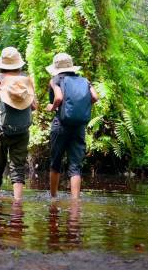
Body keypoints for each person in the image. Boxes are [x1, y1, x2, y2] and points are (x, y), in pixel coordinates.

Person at [0, 47, 38, 201]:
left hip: (0, 130)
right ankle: (18, 204)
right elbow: (34, 106)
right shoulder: (27, 79)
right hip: (22, 131)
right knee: (18, 168)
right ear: (19, 63)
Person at [45, 53, 99, 199]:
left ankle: (53, 198)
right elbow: (95, 97)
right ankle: (75, 201)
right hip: (79, 127)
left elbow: (59, 97)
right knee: (75, 165)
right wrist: (81, 108)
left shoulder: (55, 80)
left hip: (61, 125)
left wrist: (53, 107)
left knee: (55, 162)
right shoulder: (84, 80)